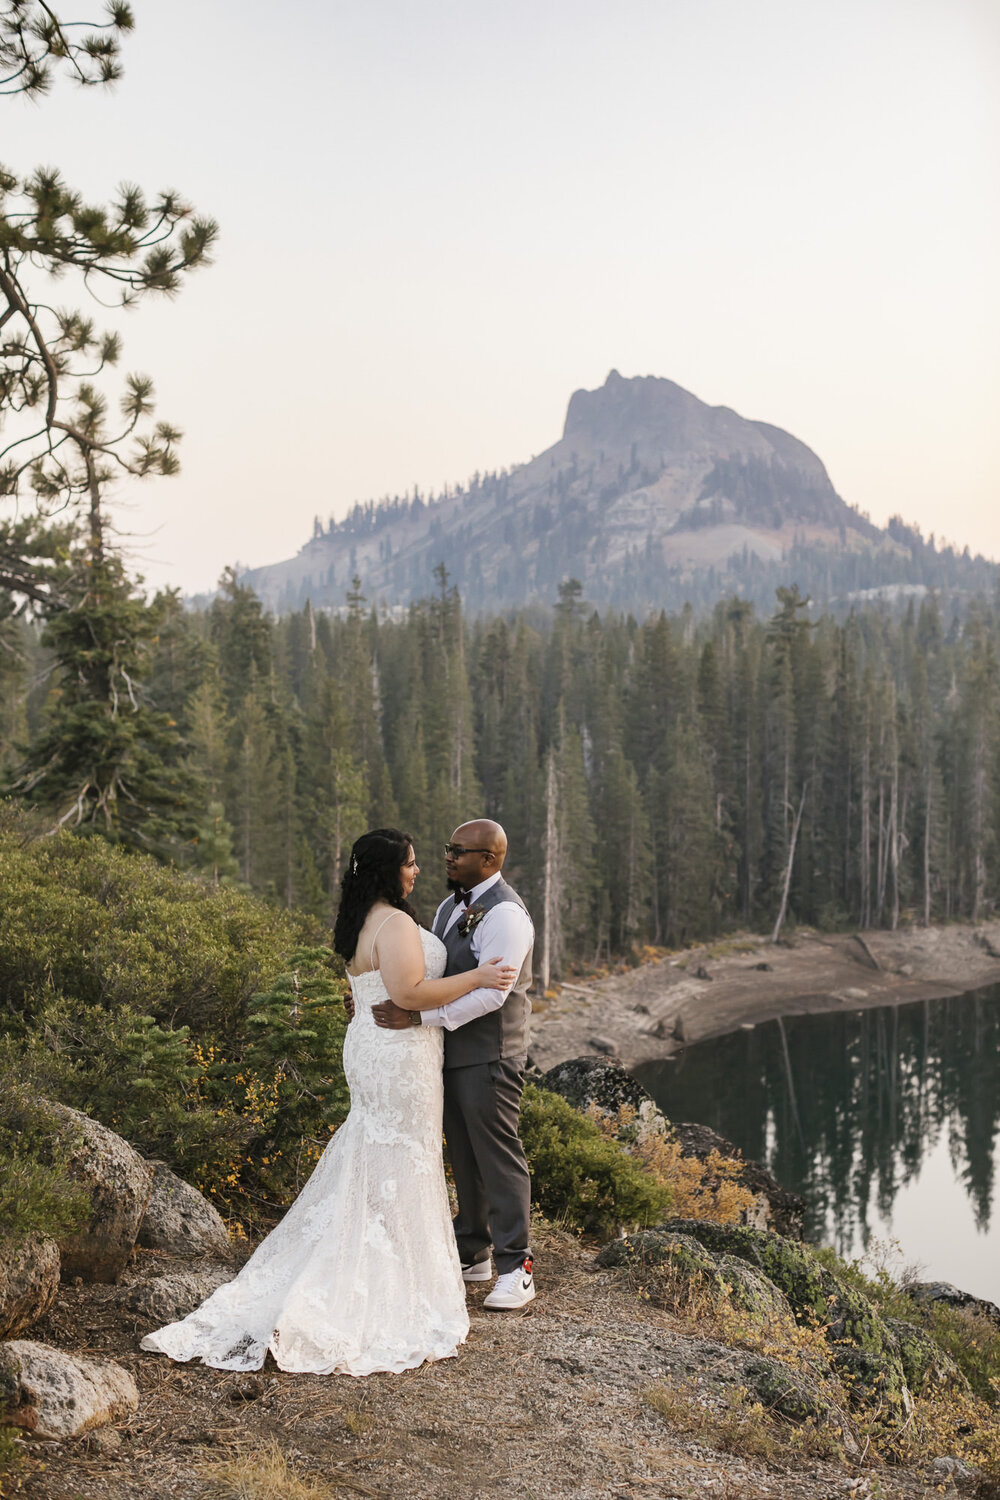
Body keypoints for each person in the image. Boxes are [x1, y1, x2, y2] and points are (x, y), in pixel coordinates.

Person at [140, 827, 516, 1376]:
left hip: (371, 1043)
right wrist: (478, 975)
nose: (419, 871)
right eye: (411, 864)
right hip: (399, 1052)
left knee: (376, 1145)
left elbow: (375, 989)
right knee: (403, 1152)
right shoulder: (396, 923)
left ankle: (382, 1253)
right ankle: (388, 1275)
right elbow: (408, 994)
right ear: (391, 870)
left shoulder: (361, 919)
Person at [371, 819, 536, 1310]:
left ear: (490, 860)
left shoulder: (506, 915)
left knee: (498, 1155)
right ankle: (474, 1251)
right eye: (446, 848)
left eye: (457, 851)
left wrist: (421, 1017)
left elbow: (492, 995)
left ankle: (517, 1266)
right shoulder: (450, 905)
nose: (447, 857)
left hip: (491, 1052)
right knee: (463, 1155)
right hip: (447, 1051)